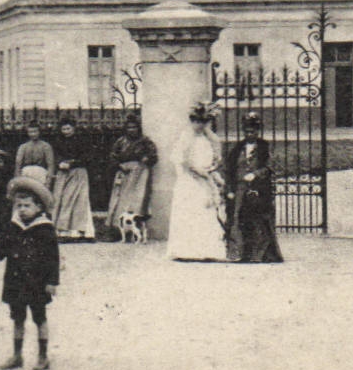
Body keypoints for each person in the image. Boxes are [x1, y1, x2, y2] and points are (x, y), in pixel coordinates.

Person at [0, 175, 60, 370]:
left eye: (27, 205)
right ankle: (17, 355)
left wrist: (52, 281)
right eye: (19, 206)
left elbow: (52, 258)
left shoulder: (45, 230)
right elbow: (2, 247)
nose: (22, 210)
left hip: (37, 283)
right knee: (17, 318)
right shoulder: (13, 227)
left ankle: (43, 356)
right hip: (15, 282)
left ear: (39, 208)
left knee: (39, 317)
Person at [167, 103, 228, 261]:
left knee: (205, 210)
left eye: (203, 122)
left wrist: (211, 169)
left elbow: (214, 157)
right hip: (190, 179)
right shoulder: (186, 137)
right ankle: (187, 250)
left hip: (205, 176)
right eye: (197, 122)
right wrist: (196, 171)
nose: (200, 125)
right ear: (192, 121)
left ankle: (208, 250)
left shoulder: (209, 138)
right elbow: (181, 160)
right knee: (190, 211)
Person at [225, 112, 283, 263]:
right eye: (247, 131)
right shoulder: (237, 148)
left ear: (258, 131)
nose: (250, 134)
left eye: (253, 131)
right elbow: (230, 169)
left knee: (259, 220)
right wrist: (230, 189)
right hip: (240, 189)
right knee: (238, 218)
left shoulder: (264, 147)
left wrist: (256, 174)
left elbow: (270, 167)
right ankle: (240, 252)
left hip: (258, 189)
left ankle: (260, 254)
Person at [105, 113, 158, 240]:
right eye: (129, 127)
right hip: (124, 173)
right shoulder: (121, 142)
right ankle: (117, 230)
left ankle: (136, 231)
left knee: (136, 200)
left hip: (139, 174)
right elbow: (113, 156)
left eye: (134, 127)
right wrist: (119, 165)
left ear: (138, 128)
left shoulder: (145, 141)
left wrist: (146, 159)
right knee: (119, 200)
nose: (131, 130)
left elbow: (153, 156)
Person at [50, 118, 96, 241]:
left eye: (68, 128)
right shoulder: (58, 141)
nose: (66, 131)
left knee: (78, 200)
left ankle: (80, 232)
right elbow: (55, 156)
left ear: (73, 128)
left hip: (78, 173)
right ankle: (62, 231)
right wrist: (59, 163)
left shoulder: (83, 141)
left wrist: (73, 163)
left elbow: (88, 157)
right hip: (63, 173)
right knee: (61, 199)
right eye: (63, 129)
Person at [14, 120, 56, 186]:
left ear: (39, 132)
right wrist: (17, 179)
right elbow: (18, 164)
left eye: (35, 131)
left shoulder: (46, 146)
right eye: (30, 132)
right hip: (26, 173)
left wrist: (48, 181)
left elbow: (50, 165)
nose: (33, 134)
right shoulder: (23, 147)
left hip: (41, 173)